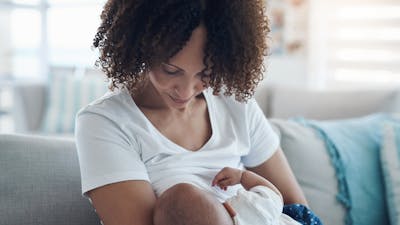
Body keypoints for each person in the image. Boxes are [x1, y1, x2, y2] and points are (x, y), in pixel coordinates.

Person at [75, 0, 314, 225]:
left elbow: (298, 211)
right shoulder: (105, 123)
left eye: (205, 74)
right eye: (170, 70)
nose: (186, 91)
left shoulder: (234, 102)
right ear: (141, 47)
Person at [212, 167, 323, 225]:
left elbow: (275, 195)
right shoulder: (267, 209)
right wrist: (241, 176)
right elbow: (275, 195)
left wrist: (242, 176)